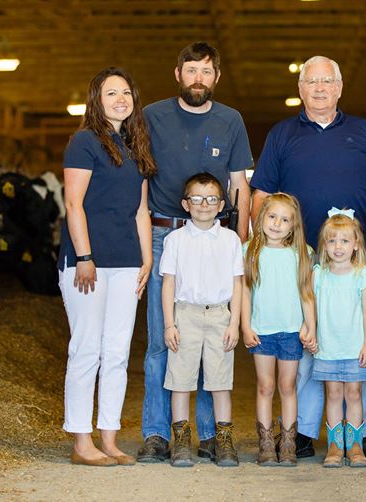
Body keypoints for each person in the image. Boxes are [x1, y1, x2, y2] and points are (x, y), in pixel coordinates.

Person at [249, 55, 366, 459]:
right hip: (298, 260)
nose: (320, 88)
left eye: (328, 81)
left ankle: (357, 434)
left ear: (340, 87)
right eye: (312, 81)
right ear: (301, 89)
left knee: (351, 343)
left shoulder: (363, 132)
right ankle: (306, 432)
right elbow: (261, 195)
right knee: (309, 345)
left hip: (349, 262)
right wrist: (260, 249)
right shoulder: (282, 134)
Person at [139, 41, 253, 463]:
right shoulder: (152, 116)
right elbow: (140, 177)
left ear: (216, 77)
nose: (198, 78)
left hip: (216, 235)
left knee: (212, 338)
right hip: (164, 233)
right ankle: (157, 433)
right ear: (178, 74)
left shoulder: (231, 120)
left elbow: (239, 181)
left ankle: (209, 436)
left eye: (206, 71)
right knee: (163, 338)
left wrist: (239, 241)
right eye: (191, 70)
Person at [58, 66, 155, 467]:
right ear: (96, 100)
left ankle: (110, 439)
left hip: (127, 261)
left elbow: (141, 211)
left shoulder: (136, 145)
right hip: (88, 263)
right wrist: (84, 256)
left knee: (116, 352)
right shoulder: (84, 142)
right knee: (86, 350)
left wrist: (147, 258)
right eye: (111, 93)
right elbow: (73, 203)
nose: (121, 99)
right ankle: (82, 443)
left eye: (126, 92)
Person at [160, 173, 244, 468]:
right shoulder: (175, 239)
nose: (204, 204)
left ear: (221, 204)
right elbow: (168, 283)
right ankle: (181, 440)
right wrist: (170, 323)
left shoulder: (231, 239)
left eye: (211, 199)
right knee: (180, 380)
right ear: (186, 204)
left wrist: (235, 323)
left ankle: (223, 439)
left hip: (220, 314)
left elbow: (238, 284)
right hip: (186, 314)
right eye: (196, 198)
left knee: (220, 381)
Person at [242, 193, 317, 466]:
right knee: (265, 386)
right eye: (272, 216)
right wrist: (245, 325)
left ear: (293, 225)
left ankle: (287, 442)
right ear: (261, 218)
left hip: (291, 332)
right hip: (262, 330)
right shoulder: (250, 251)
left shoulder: (302, 254)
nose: (277, 224)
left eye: (285, 220)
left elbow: (307, 293)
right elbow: (245, 292)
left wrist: (311, 326)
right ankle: (265, 442)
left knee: (288, 386)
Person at [312, 209, 366, 468]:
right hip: (327, 347)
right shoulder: (318, 274)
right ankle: (336, 445)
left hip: (354, 347)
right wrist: (311, 332)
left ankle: (356, 444)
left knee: (354, 393)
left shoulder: (362, 274)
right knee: (334, 393)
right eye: (332, 241)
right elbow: (311, 308)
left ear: (356, 244)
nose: (338, 247)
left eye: (345, 241)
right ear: (324, 245)